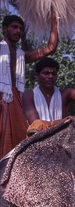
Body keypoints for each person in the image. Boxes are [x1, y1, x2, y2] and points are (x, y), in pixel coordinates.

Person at [0, 10, 58, 156]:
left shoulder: (22, 55)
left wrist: (54, 22)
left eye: (20, 28)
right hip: (2, 97)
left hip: (15, 100)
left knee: (18, 139)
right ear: (4, 28)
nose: (18, 31)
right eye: (14, 27)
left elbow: (51, 48)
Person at [22, 58, 75, 131]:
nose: (50, 76)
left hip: (63, 139)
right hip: (38, 140)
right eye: (46, 73)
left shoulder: (64, 94)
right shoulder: (28, 95)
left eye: (53, 74)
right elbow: (36, 124)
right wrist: (61, 122)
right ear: (37, 75)